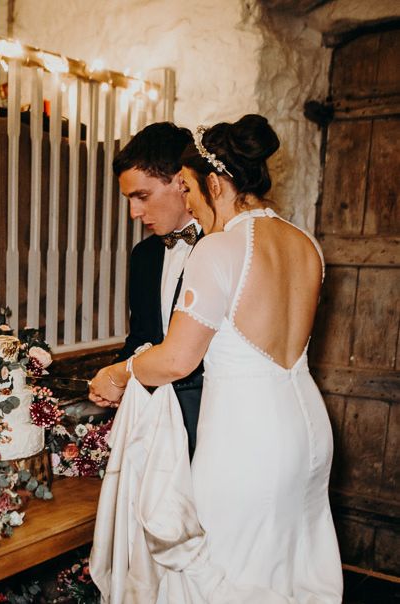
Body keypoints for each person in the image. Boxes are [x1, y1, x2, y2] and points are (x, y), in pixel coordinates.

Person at [89, 115, 342, 601]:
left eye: (186, 188)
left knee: (228, 571)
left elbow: (177, 360)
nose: (186, 201)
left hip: (245, 439)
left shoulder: (219, 248)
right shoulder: (306, 244)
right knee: (286, 567)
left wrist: (121, 371)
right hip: (305, 429)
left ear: (213, 182)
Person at [106, 122, 203, 458]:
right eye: (128, 199)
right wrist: (112, 379)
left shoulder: (223, 247)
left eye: (142, 196)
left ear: (181, 181)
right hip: (158, 422)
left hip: (213, 419)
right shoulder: (144, 256)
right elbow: (143, 336)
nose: (134, 212)